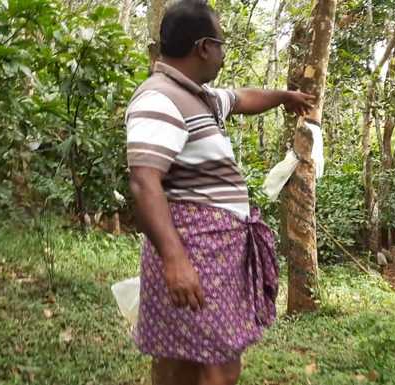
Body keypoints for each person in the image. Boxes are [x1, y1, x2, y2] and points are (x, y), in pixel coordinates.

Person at [125, 1, 314, 384]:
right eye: (222, 44)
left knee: (191, 357)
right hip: (194, 253)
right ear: (204, 47)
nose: (225, 54)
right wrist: (175, 260)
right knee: (214, 364)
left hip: (217, 254)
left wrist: (284, 96)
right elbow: (144, 183)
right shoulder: (158, 99)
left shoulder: (201, 97)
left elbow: (243, 98)